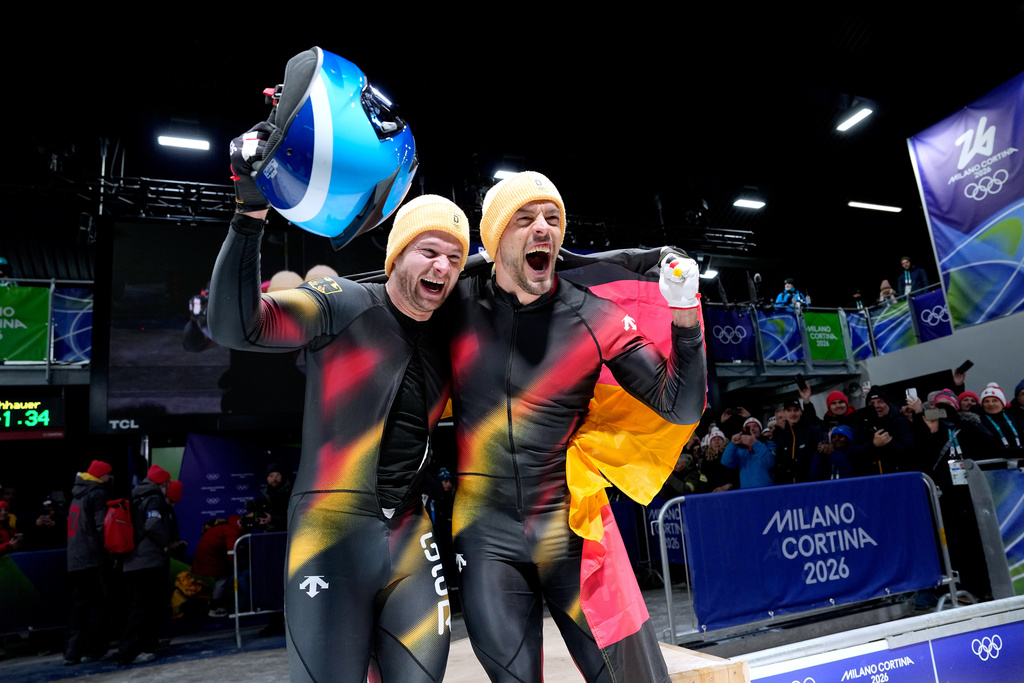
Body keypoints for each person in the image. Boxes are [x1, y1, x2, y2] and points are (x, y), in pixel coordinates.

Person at [208, 126, 469, 680]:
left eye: (454, 257)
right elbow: (238, 325)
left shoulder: (455, 330)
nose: (442, 268)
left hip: (410, 540)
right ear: (397, 255)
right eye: (428, 252)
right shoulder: (343, 302)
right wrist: (250, 207)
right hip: (327, 538)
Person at [447, 171, 706, 683]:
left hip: (570, 530)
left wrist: (684, 315)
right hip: (484, 539)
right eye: (525, 219)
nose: (543, 227)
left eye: (552, 219)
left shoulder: (593, 315)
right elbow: (384, 300)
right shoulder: (455, 302)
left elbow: (679, 405)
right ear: (496, 238)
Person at [119, 465, 174, 665]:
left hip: (132, 562)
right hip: (148, 561)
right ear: (162, 483)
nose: (168, 487)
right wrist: (164, 544)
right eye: (167, 483)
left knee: (138, 607)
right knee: (145, 608)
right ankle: (132, 650)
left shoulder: (137, 497)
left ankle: (142, 645)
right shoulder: (154, 499)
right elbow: (152, 525)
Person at [64, 460, 113, 666]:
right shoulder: (97, 493)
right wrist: (112, 552)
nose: (110, 478)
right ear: (101, 476)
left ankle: (72, 653)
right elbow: (103, 526)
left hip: (75, 558)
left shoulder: (77, 493)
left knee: (78, 608)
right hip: (93, 557)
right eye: (108, 474)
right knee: (97, 605)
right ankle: (94, 650)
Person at [772, 398, 822, 484]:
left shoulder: (812, 432)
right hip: (788, 488)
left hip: (810, 486)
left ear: (801, 412)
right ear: (784, 413)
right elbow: (778, 466)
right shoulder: (781, 437)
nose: (793, 414)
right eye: (789, 410)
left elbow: (820, 461)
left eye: (796, 410)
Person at [722, 419, 775, 488]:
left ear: (760, 430)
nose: (752, 429)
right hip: (746, 492)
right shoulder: (740, 448)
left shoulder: (769, 444)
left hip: (767, 490)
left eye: (755, 426)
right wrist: (733, 443)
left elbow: (769, 463)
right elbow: (727, 463)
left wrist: (754, 443)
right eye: (748, 427)